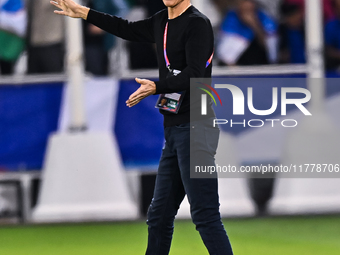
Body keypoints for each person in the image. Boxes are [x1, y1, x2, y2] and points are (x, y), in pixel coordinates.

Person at [50, 0, 233, 254]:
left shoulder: (197, 24)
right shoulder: (161, 21)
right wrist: (83, 12)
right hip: (175, 130)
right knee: (158, 217)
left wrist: (156, 87)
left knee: (205, 215)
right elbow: (125, 28)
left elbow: (195, 73)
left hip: (196, 129)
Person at [216, 0, 278, 66]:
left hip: (262, 67)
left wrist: (254, 24)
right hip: (238, 70)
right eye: (244, 2)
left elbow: (270, 50)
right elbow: (225, 57)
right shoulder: (230, 20)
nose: (247, 5)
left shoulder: (264, 19)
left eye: (250, 2)